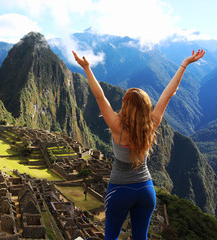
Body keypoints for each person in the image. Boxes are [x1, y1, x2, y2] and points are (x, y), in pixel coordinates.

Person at [72, 49, 205, 240]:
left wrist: (87, 69)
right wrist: (184, 64)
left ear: (125, 104)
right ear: (146, 106)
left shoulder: (116, 126)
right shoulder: (152, 124)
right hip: (145, 190)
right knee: (140, 236)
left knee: (111, 236)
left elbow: (99, 96)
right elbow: (168, 93)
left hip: (119, 190)